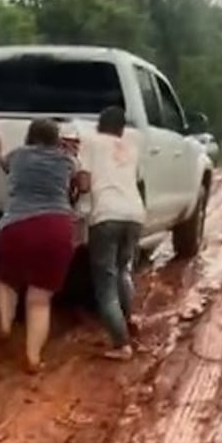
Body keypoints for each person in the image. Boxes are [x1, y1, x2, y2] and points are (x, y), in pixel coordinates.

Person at [0, 118, 80, 373]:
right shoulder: (67, 160)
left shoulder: (17, 156)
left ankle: (4, 325)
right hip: (56, 227)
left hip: (16, 226)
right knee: (40, 299)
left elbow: (2, 162)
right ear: (57, 139)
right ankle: (32, 357)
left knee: (6, 280)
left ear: (29, 136)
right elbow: (79, 178)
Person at [79, 106, 146, 360]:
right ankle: (128, 322)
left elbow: (84, 183)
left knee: (105, 281)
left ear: (99, 124)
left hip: (106, 214)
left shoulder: (91, 142)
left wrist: (80, 199)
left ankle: (121, 344)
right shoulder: (131, 147)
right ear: (121, 128)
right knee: (122, 270)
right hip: (135, 214)